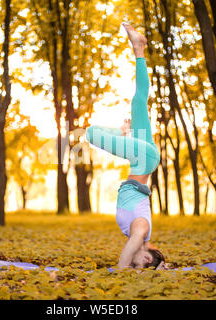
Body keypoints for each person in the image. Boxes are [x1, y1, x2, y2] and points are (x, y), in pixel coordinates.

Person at [85, 22, 167, 270]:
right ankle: (121, 131)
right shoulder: (141, 231)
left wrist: (161, 268)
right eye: (142, 264)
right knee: (90, 133)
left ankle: (139, 49)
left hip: (144, 155)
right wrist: (122, 272)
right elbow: (130, 251)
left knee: (139, 100)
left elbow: (138, 253)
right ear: (146, 256)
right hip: (143, 159)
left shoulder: (139, 233)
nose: (137, 263)